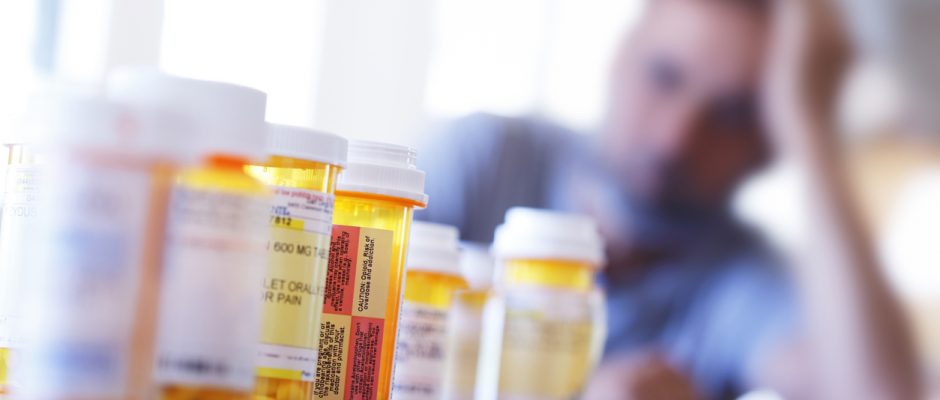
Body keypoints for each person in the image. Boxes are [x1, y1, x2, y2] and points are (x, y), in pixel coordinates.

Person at [417, 0, 921, 399]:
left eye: (732, 114)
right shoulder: (487, 159)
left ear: (769, 145)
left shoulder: (743, 279)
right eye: (664, 76)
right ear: (619, 56)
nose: (674, 140)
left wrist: (811, 129)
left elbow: (883, 393)